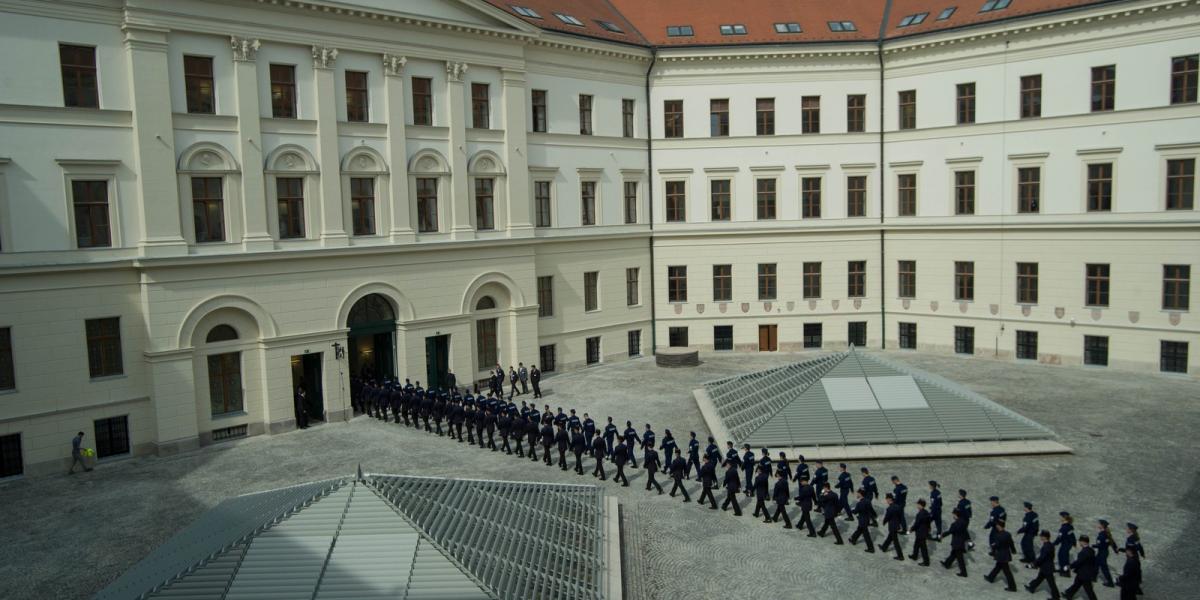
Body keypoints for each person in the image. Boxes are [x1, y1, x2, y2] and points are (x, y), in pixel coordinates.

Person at [984, 520, 1018, 591]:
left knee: (1007, 571)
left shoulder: (998, 535)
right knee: (998, 566)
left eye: (997, 525)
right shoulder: (1008, 534)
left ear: (999, 526)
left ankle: (1012, 587)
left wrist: (993, 551)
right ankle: (991, 577)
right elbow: (1011, 543)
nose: (996, 526)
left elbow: (996, 545)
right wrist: (1013, 550)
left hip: (1001, 555)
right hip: (1006, 554)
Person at [1027, 530, 1062, 599]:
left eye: (1041, 536)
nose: (1040, 537)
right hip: (1046, 566)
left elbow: (1042, 557)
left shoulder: (1046, 547)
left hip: (1047, 567)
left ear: (1044, 537)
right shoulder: (1050, 545)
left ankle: (1056, 596)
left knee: (1051, 583)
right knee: (1040, 578)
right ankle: (1032, 587)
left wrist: (1034, 563)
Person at [1063, 535, 1098, 600]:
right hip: (1084, 572)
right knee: (1076, 584)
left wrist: (1069, 566)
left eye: (1080, 541)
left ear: (1083, 542)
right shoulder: (1091, 550)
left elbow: (1078, 562)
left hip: (1084, 573)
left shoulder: (1084, 552)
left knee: (1089, 590)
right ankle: (1068, 594)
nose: (1079, 543)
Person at [941, 509, 970, 577]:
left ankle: (964, 573)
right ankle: (947, 564)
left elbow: (950, 531)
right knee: (954, 553)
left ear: (956, 515)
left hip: (957, 542)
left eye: (953, 514)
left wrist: (942, 535)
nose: (953, 516)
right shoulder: (964, 522)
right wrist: (969, 540)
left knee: (960, 559)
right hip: (961, 542)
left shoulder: (955, 524)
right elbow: (966, 532)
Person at [1094, 519, 1118, 587]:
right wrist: (1115, 549)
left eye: (1099, 524)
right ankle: (1093, 577)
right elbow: (1112, 542)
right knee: (1095, 563)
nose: (1098, 525)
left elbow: (1100, 545)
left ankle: (1110, 582)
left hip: (1102, 553)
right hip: (1104, 552)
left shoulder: (1101, 535)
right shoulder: (1107, 534)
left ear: (1102, 526)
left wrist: (1092, 546)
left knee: (1104, 568)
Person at [880, 493, 904, 560]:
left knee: (895, 542)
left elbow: (887, 517)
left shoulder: (889, 508)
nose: (886, 500)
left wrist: (884, 522)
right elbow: (900, 517)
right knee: (890, 537)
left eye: (887, 499)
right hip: (896, 525)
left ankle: (900, 556)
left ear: (889, 499)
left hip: (892, 526)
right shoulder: (898, 507)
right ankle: (884, 547)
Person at [909, 498, 932, 566]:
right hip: (924, 532)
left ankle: (926, 562)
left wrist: (911, 529)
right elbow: (928, 522)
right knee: (916, 545)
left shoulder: (920, 514)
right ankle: (914, 556)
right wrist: (929, 528)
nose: (917, 506)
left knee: (923, 548)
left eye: (918, 504)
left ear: (920, 505)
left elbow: (917, 524)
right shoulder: (926, 512)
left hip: (920, 533)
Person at [1017, 501, 1040, 566]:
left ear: (1027, 508)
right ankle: (1027, 558)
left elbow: (1025, 527)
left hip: (1029, 533)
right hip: (1033, 532)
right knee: (1024, 543)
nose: (1024, 508)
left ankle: (1032, 560)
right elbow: (1037, 524)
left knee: (1028, 546)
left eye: (1024, 507)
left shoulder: (1027, 517)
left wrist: (1018, 531)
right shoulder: (1035, 515)